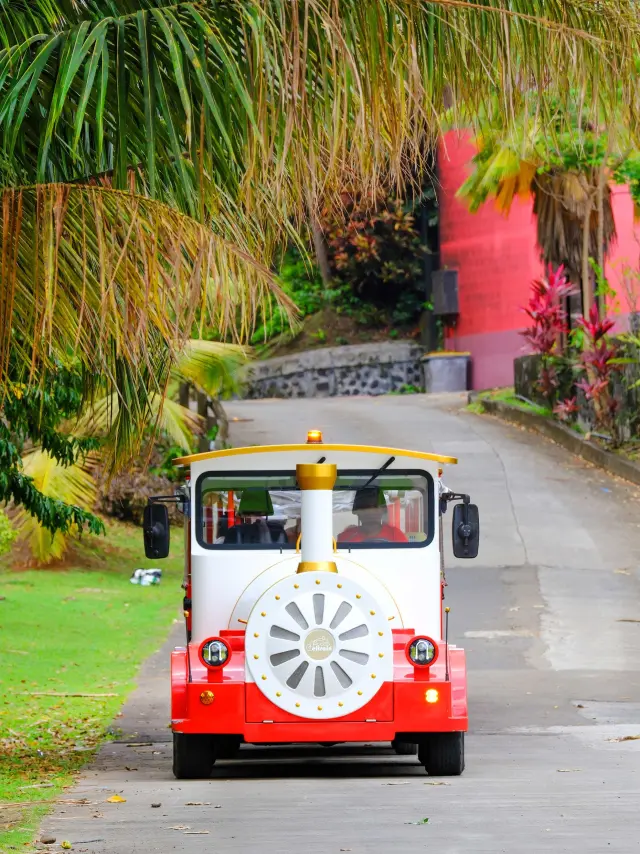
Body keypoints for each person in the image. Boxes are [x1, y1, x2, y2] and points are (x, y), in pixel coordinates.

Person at [337, 487, 407, 543]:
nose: (370, 511)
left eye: (375, 506)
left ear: (383, 510)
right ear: (356, 511)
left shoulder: (396, 536)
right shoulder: (345, 538)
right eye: (365, 507)